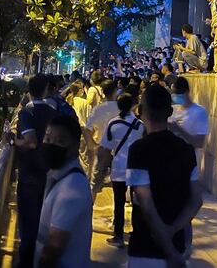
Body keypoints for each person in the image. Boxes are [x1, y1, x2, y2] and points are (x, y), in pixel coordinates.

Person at [127, 84, 203, 267]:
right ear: (169, 112)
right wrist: (172, 231)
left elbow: (146, 202)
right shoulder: (186, 150)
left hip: (145, 248)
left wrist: (168, 250)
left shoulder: (138, 150)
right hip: (177, 243)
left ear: (140, 111)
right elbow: (196, 201)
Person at [6, 73, 58, 268]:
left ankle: (26, 262)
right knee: (44, 222)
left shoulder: (27, 113)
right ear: (47, 90)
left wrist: (12, 140)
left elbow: (30, 142)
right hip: (50, 173)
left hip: (30, 174)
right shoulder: (55, 112)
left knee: (28, 222)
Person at [34, 115, 93, 268]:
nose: (51, 145)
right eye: (48, 139)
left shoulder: (72, 188)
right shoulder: (57, 176)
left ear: (75, 146)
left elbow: (55, 246)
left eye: (60, 141)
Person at [100, 93, 144, 248]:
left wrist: (103, 168)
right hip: (136, 170)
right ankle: (138, 235)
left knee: (118, 203)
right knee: (137, 203)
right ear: (133, 105)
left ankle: (118, 236)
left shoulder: (113, 124)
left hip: (118, 168)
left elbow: (106, 149)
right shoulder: (140, 125)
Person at [85, 79, 120, 189]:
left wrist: (92, 143)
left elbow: (87, 128)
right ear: (115, 91)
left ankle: (90, 204)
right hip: (118, 148)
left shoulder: (98, 109)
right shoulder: (121, 108)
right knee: (119, 183)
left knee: (95, 183)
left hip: (101, 145)